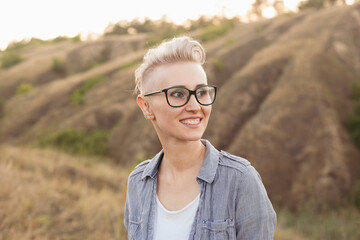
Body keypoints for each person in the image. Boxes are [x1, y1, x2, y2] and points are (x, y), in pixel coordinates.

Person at [124, 36, 276, 240]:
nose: (195, 106)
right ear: (146, 106)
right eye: (178, 94)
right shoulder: (138, 182)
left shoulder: (240, 180)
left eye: (201, 92)